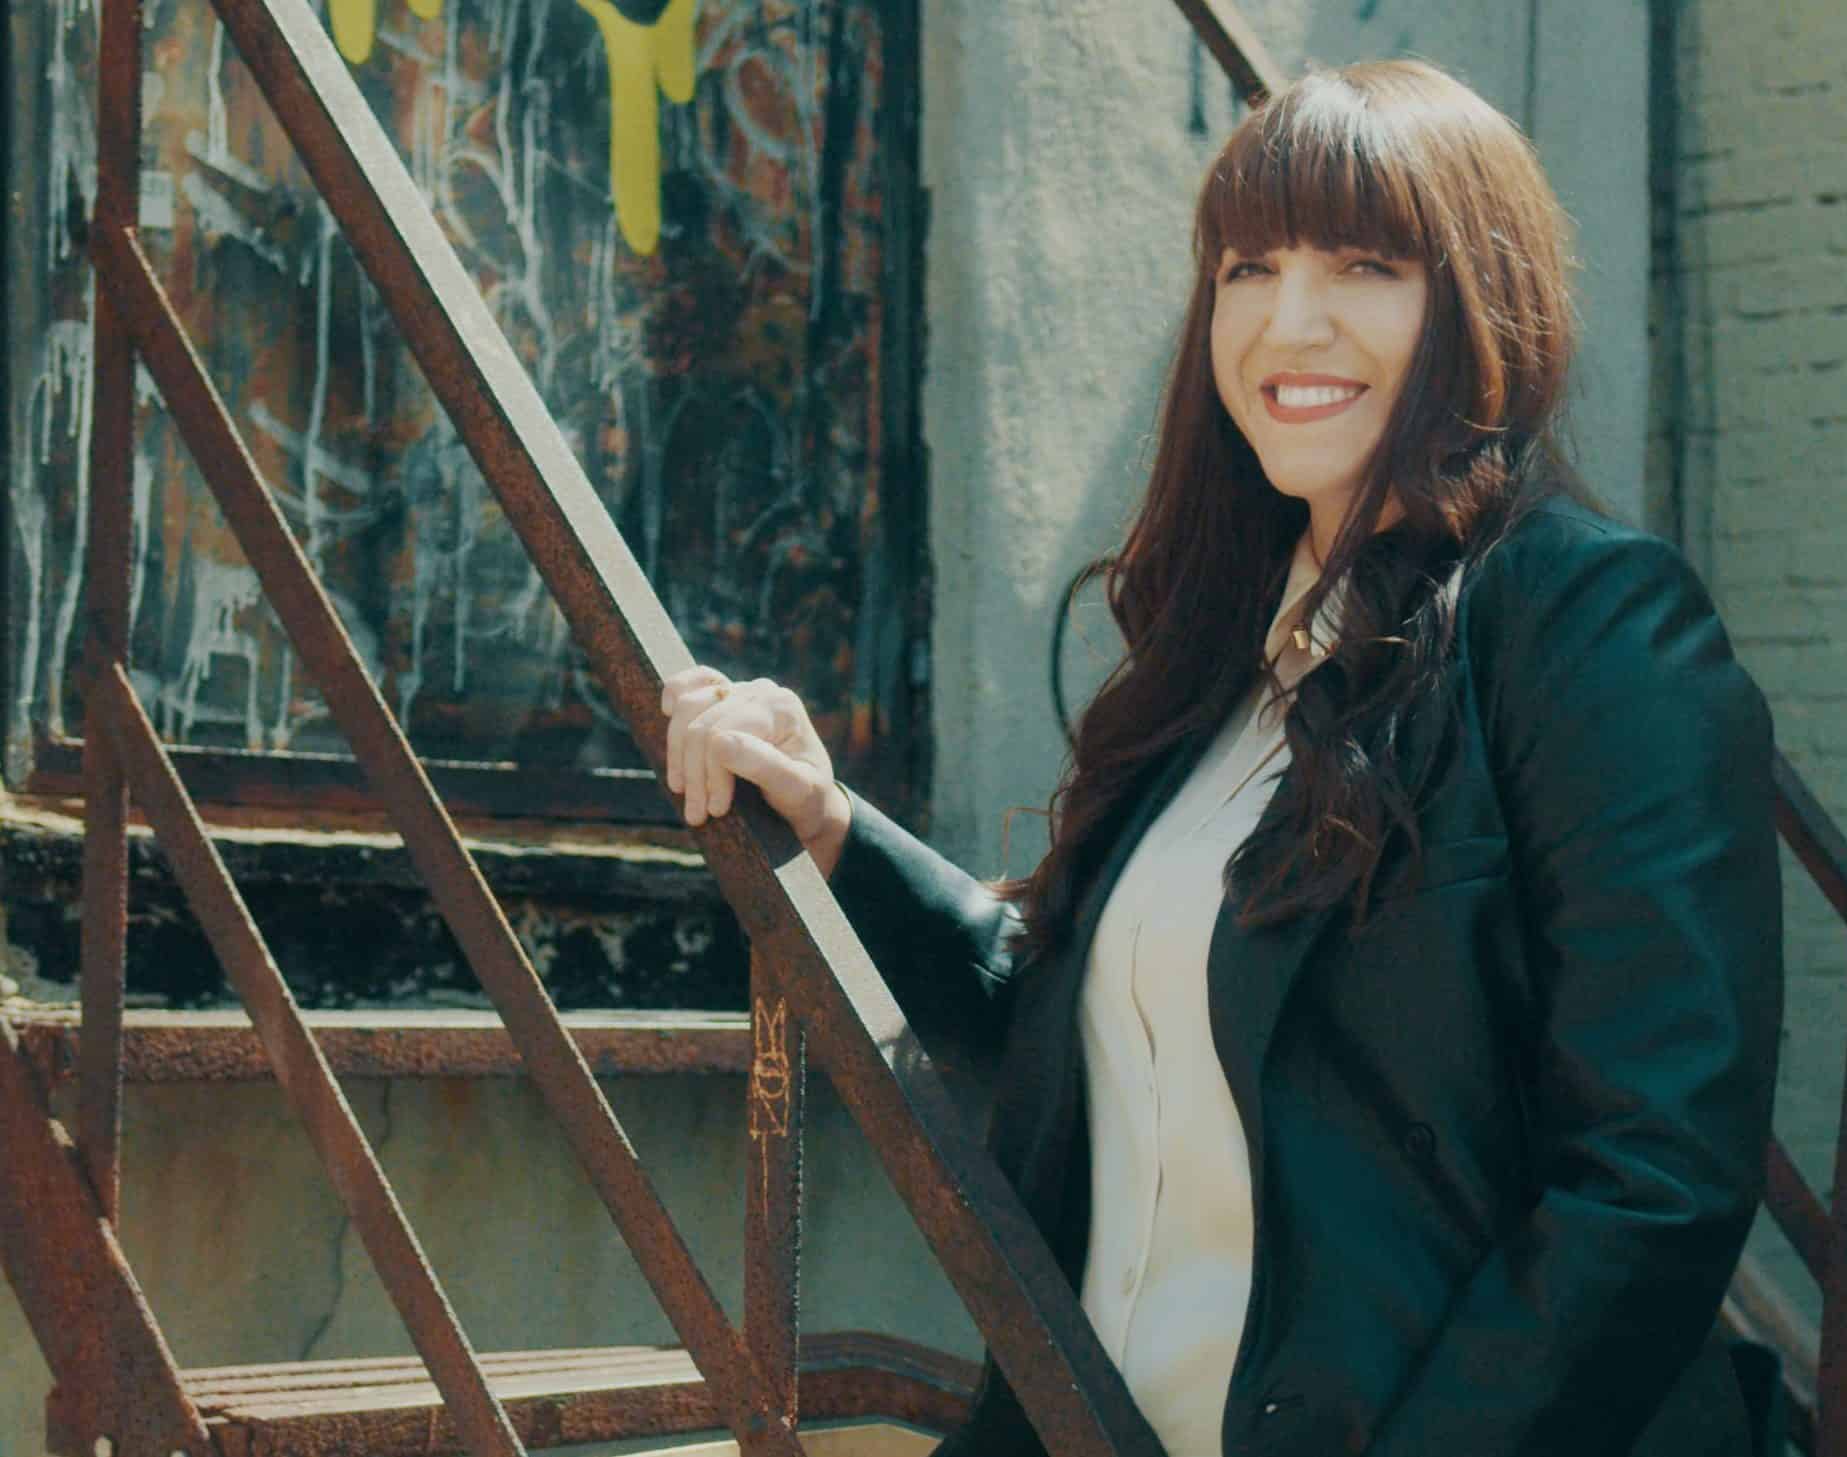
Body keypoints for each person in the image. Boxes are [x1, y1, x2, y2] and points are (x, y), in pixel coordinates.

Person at [661, 59, 1782, 1457]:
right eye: (1249, 268)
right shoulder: (1222, 656)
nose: (1287, 323)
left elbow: (1655, 1176)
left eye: (1365, 265)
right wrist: (832, 828)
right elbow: (1096, 1026)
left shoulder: (1589, 626)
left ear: (1479, 300)